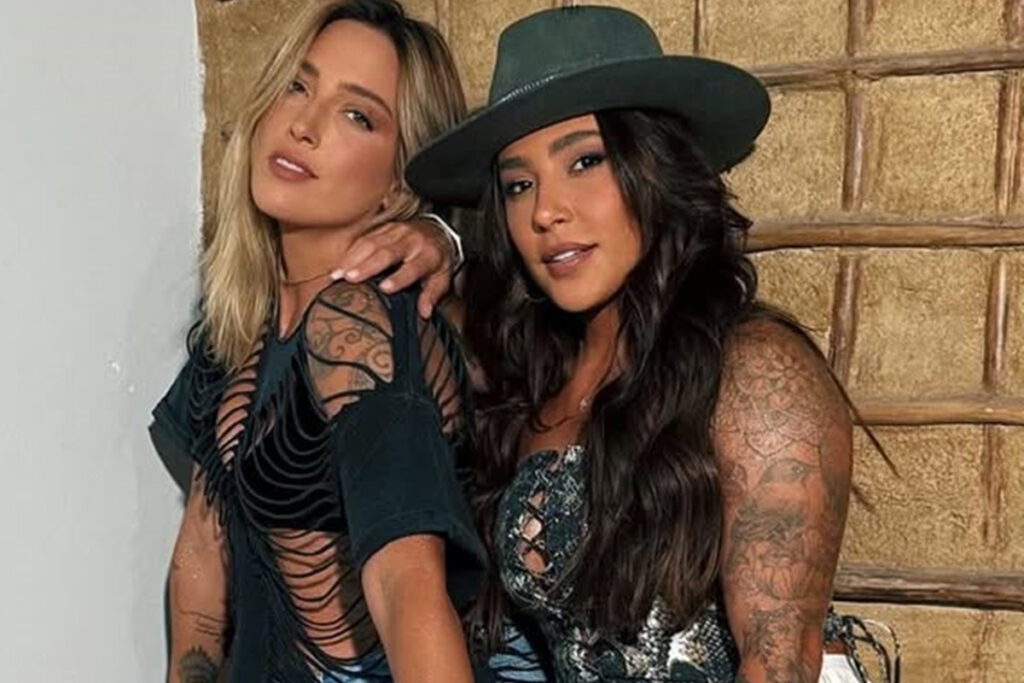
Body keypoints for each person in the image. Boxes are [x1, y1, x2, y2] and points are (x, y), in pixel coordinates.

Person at [401, 7, 896, 683]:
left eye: (585, 161)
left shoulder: (755, 369)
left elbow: (780, 664)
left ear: (655, 167)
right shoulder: (534, 374)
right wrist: (442, 237)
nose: (546, 210)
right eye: (518, 184)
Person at [149, 2, 488, 681]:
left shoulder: (360, 320)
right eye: (296, 86)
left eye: (357, 114)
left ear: (399, 181)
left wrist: (446, 237)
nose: (304, 124)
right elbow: (202, 558)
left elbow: (405, 584)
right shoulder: (240, 321)